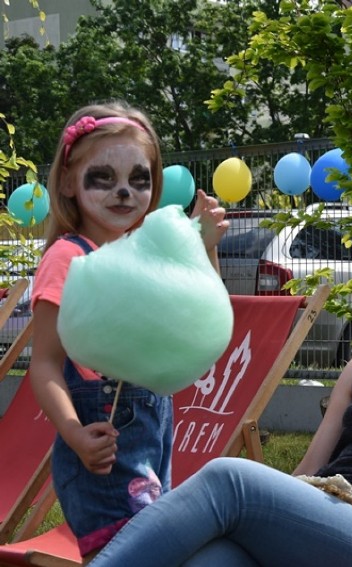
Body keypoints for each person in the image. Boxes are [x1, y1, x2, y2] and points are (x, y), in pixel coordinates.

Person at [88, 213, 352, 567]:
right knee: (212, 558)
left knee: (229, 478)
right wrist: (267, 517)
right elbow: (309, 473)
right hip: (327, 525)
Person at [29, 101, 228, 558]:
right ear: (66, 181)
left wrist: (206, 250)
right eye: (103, 177)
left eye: (139, 179)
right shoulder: (69, 258)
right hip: (100, 449)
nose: (123, 192)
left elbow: (201, 318)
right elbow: (45, 363)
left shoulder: (147, 255)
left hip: (153, 437)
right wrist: (74, 432)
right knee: (125, 554)